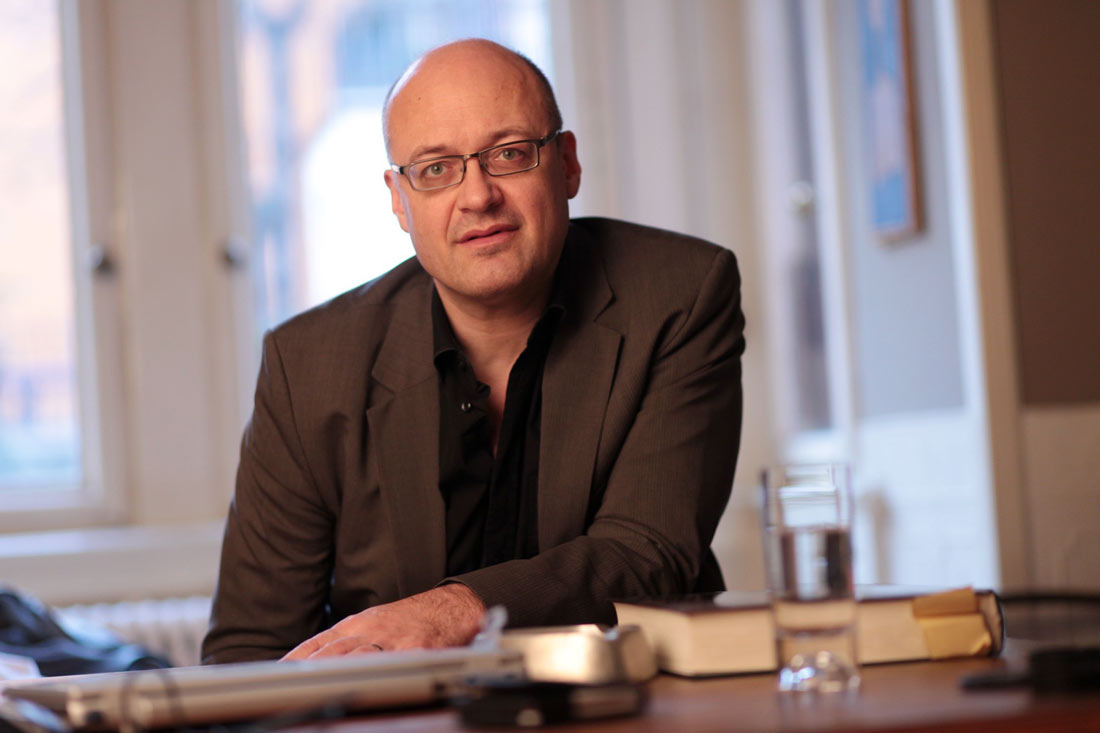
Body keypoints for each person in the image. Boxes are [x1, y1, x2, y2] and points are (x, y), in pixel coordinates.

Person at [201, 39, 744, 664]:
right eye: (435, 169)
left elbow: (650, 554)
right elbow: (250, 648)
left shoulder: (679, 296)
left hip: (635, 702)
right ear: (399, 199)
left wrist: (454, 612)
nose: (478, 196)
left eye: (509, 154)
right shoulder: (308, 365)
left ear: (567, 164)